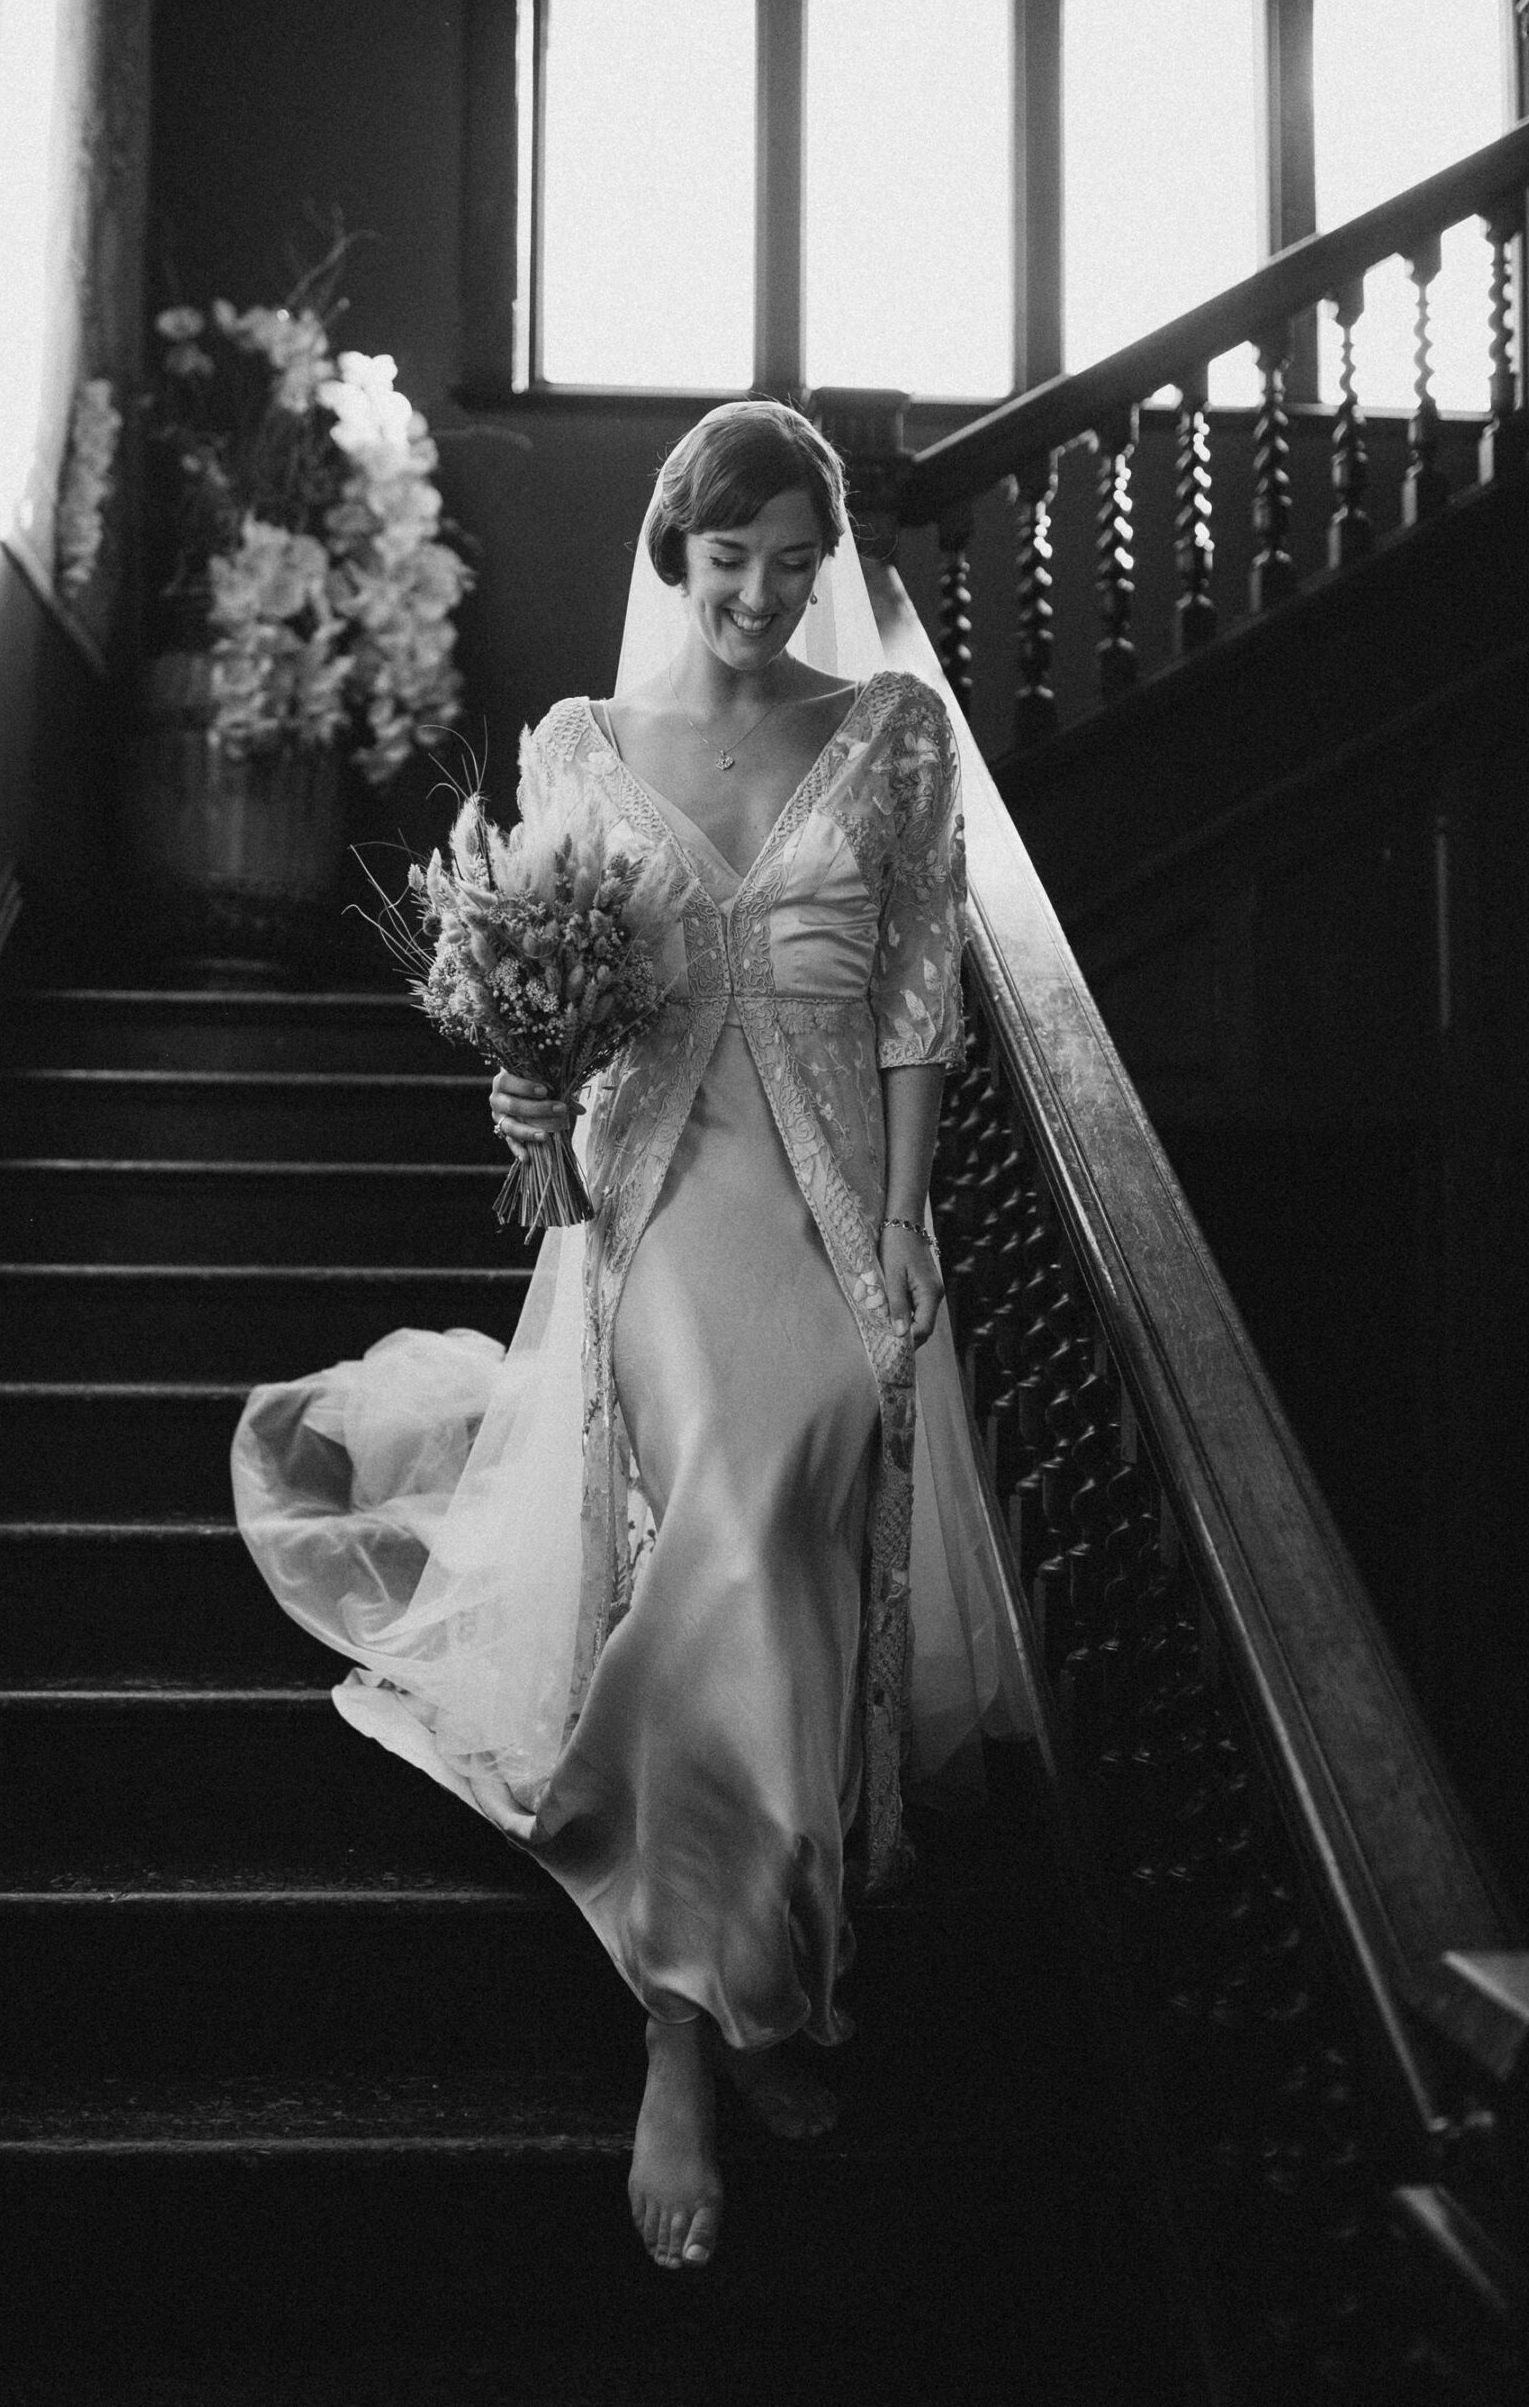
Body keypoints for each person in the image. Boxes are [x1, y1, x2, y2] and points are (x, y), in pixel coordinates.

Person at [233, 399, 1020, 2277]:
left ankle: (754, 1936)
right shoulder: (585, 746)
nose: (758, 591)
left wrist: (903, 1231)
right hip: (657, 1201)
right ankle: (693, 2013)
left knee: (807, 1479)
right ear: (675, 558)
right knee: (734, 1507)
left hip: (832, 1211)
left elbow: (917, 989)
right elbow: (549, 1014)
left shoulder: (896, 735)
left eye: (792, 560)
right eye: (725, 556)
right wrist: (524, 1103)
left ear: (827, 568)